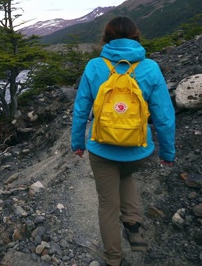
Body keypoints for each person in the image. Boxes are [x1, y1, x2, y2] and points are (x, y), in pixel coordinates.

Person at [71, 16, 175, 266]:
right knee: (126, 177)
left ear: (106, 38)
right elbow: (164, 115)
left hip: (102, 147)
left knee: (107, 205)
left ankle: (113, 258)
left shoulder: (95, 66)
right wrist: (167, 153)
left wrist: (78, 142)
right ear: (136, 36)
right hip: (138, 148)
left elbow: (81, 109)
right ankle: (134, 229)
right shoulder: (150, 67)